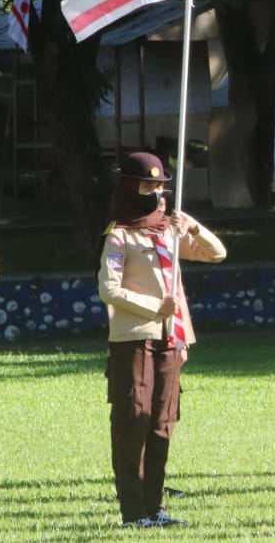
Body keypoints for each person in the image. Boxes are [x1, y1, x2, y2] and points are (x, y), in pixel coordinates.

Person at [97, 151, 227, 529]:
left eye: (158, 186)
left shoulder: (167, 229)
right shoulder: (118, 234)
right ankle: (133, 511)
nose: (154, 192)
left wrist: (194, 227)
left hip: (171, 340)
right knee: (133, 420)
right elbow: (109, 289)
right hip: (134, 339)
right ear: (128, 187)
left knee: (161, 423)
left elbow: (216, 254)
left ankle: (155, 507)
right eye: (146, 185)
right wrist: (157, 306)